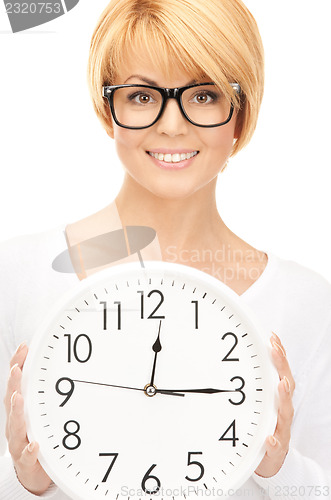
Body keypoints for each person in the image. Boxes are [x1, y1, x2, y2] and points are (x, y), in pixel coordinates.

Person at [1, 0, 330, 498]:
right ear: (106, 111)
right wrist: (27, 482)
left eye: (202, 95)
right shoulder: (18, 273)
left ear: (239, 114)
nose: (172, 125)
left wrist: (277, 467)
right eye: (140, 96)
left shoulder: (307, 302)